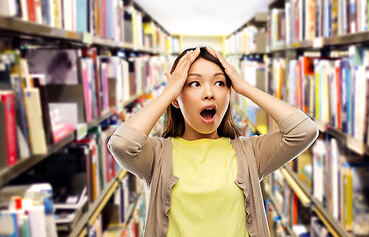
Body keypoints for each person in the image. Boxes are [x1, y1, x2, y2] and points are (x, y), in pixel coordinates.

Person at [107, 46, 319, 237]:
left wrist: (245, 87)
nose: (209, 93)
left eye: (220, 83)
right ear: (177, 98)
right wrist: (169, 92)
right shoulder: (157, 154)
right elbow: (121, 144)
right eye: (194, 83)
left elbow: (304, 131)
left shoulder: (250, 152)